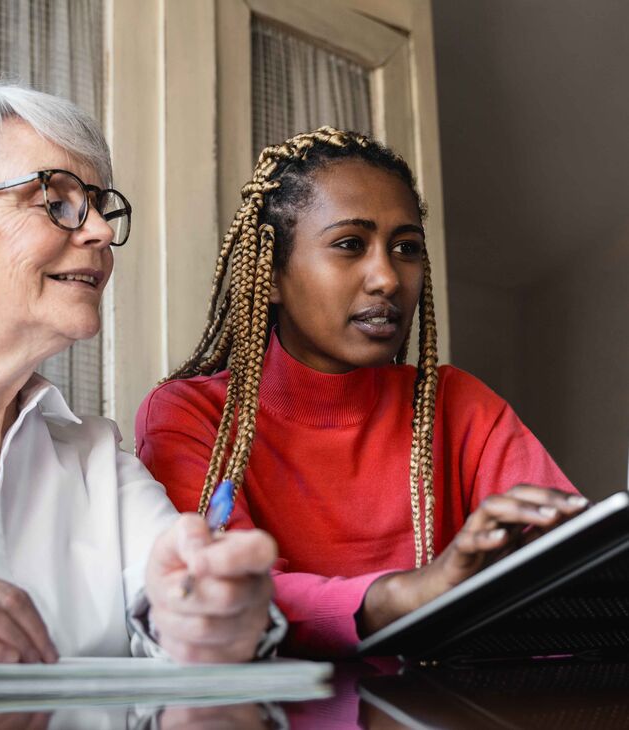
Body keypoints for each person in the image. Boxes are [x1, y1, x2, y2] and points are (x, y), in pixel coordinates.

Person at [136, 127, 586, 658]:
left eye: (407, 248)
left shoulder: (456, 404)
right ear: (272, 273)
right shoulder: (193, 415)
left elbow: (573, 581)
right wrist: (413, 590)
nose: (388, 278)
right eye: (351, 244)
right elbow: (223, 594)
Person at [0, 82, 278, 664]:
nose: (100, 231)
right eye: (56, 200)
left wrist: (208, 615)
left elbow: (184, 611)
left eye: (101, 205)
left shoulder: (99, 463)